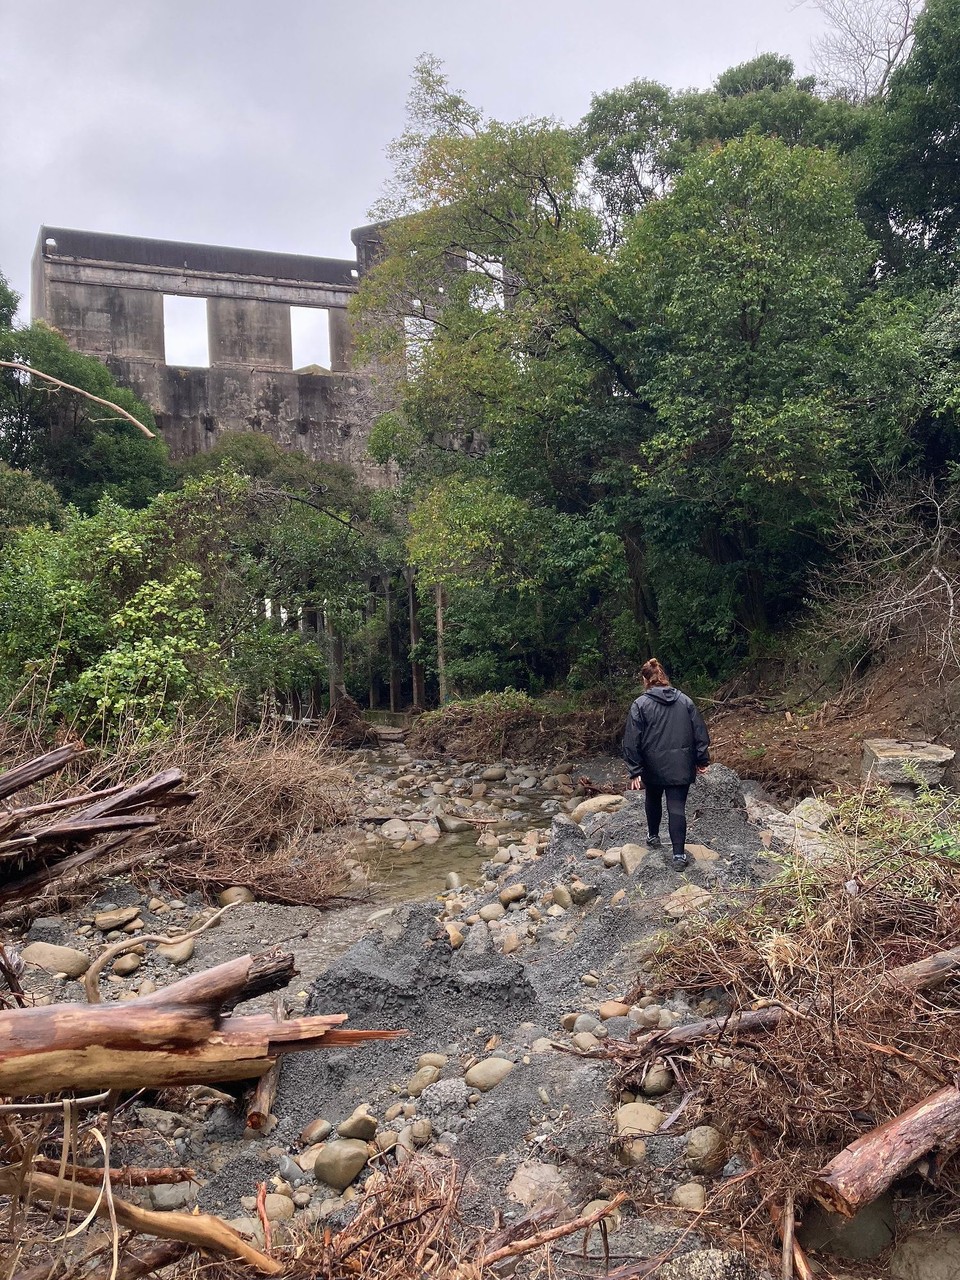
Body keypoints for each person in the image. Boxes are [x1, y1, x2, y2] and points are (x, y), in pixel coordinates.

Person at [622, 657, 710, 869]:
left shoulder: (640, 705)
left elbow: (632, 739)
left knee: (653, 798)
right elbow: (700, 732)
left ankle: (653, 836)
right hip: (681, 764)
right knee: (677, 807)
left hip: (653, 765)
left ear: (645, 680)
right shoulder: (685, 701)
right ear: (664, 677)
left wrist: (635, 770)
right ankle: (679, 856)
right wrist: (701, 760)